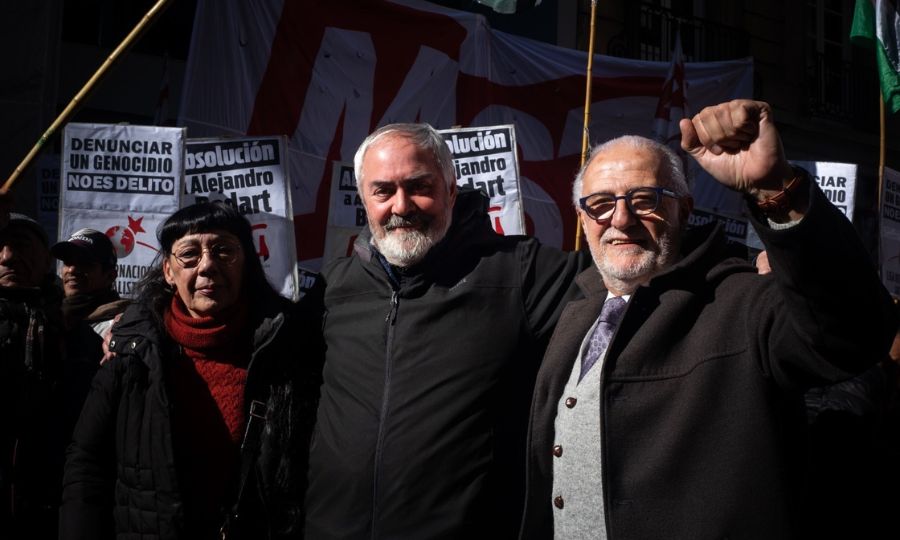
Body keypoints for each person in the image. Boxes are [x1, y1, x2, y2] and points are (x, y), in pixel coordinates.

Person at [520, 99, 896, 539]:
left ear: (684, 209)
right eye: (601, 203)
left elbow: (852, 334)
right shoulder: (576, 311)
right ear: (583, 219)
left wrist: (776, 189)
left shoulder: (743, 303)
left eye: (644, 199)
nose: (621, 219)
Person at [305, 123, 589, 538]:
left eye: (419, 186)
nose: (401, 206)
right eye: (383, 191)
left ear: (451, 190)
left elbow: (633, 270)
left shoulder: (518, 271)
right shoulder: (334, 287)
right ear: (364, 200)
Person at [60, 202, 323, 540]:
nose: (208, 265)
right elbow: (87, 463)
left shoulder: (289, 347)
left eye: (224, 250)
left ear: (247, 262)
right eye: (189, 254)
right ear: (168, 271)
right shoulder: (131, 349)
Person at [0, 212, 69, 539]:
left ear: (46, 261)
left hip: (47, 500)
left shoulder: (75, 330)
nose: (7, 257)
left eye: (21, 246)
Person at [51, 228, 128, 336]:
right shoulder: (46, 315)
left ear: (110, 276)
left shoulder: (121, 327)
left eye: (84, 262)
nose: (71, 270)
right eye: (67, 261)